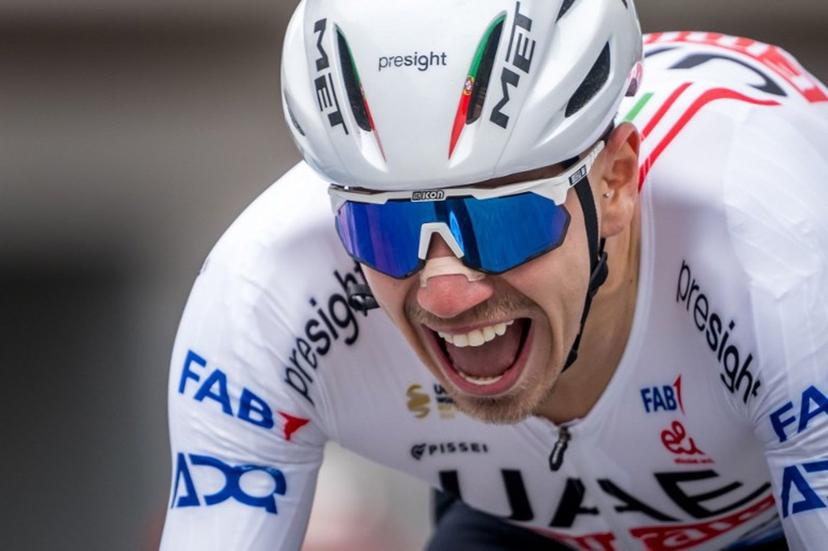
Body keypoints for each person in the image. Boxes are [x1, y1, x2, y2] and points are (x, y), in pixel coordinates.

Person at [159, 0, 828, 549]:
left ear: (618, 181)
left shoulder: (771, 247)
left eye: (507, 224)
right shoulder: (267, 288)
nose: (448, 293)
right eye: (384, 233)